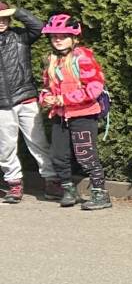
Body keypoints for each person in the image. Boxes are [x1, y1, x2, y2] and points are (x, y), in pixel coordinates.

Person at [38, 13, 113, 211]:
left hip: (83, 114)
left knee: (86, 156)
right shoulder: (51, 60)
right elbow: (46, 87)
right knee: (58, 156)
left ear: (74, 38)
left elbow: (94, 88)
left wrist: (65, 99)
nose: (58, 40)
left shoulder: (83, 57)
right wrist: (46, 98)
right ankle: (69, 190)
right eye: (54, 37)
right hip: (60, 116)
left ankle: (100, 193)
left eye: (63, 36)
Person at [0, 0, 53, 204]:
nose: (1, 22)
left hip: (26, 98)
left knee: (38, 142)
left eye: (5, 18)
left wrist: (17, 11)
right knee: (6, 147)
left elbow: (39, 27)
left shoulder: (21, 36)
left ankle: (51, 180)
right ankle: (14, 183)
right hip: (2, 103)